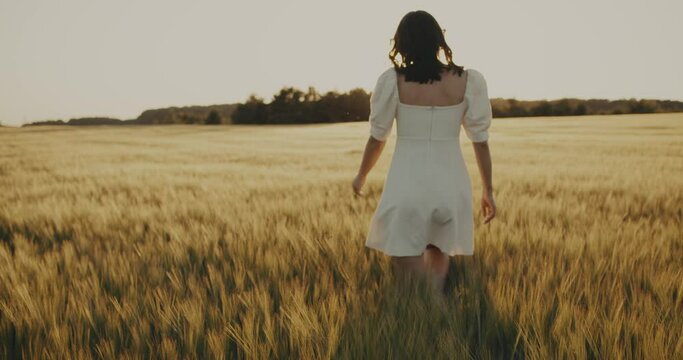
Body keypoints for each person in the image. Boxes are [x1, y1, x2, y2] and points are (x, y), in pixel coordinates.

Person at [351, 10, 496, 296]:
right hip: (451, 181)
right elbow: (480, 141)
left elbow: (377, 138)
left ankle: (429, 309)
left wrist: (361, 175)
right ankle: (437, 309)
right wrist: (488, 190)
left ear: (402, 43)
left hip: (408, 180)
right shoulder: (468, 80)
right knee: (438, 248)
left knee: (406, 257)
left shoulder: (392, 81)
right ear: (438, 40)